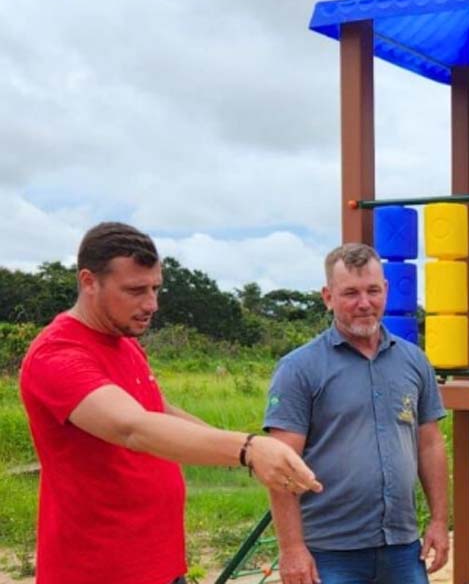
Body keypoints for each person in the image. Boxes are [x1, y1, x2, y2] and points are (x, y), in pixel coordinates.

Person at [18, 222, 322, 584]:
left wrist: (244, 454)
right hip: (97, 571)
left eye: (155, 288)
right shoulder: (58, 355)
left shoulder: (123, 339)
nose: (152, 304)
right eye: (135, 290)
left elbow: (156, 410)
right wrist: (247, 449)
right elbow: (132, 427)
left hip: (160, 566)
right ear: (88, 281)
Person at [263, 242, 449, 584]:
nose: (364, 303)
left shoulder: (414, 361)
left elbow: (430, 444)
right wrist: (291, 549)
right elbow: (280, 465)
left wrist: (439, 520)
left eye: (373, 291)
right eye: (350, 293)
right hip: (329, 553)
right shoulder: (299, 369)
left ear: (386, 291)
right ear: (327, 296)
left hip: (402, 547)